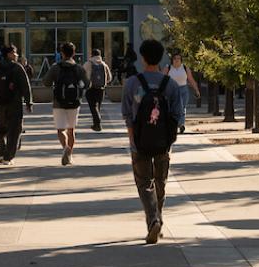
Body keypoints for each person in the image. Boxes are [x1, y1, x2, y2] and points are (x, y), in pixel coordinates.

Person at [121, 39, 185, 244]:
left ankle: (152, 220)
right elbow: (177, 114)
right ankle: (158, 217)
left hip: (139, 141)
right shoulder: (171, 85)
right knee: (160, 181)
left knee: (144, 183)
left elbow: (127, 115)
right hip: (163, 142)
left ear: (142, 57)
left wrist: (133, 140)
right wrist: (169, 139)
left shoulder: (132, 83)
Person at [43, 41, 90, 166]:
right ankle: (70, 154)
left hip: (58, 102)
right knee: (71, 129)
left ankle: (65, 148)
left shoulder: (56, 67)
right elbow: (87, 84)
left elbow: (46, 82)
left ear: (61, 53)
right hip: (74, 103)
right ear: (74, 53)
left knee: (60, 129)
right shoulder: (79, 68)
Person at [0, 44, 32, 165]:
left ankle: (1, 148)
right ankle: (8, 156)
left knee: (2, 127)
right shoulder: (17, 67)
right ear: (9, 54)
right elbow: (25, 86)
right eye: (15, 53)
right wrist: (29, 102)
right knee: (15, 129)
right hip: (14, 103)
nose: (17, 55)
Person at [164, 53, 202, 134]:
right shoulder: (168, 68)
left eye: (179, 58)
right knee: (172, 108)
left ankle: (181, 124)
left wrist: (196, 90)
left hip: (183, 89)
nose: (177, 60)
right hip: (172, 90)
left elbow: (191, 79)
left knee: (183, 107)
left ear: (181, 60)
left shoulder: (185, 68)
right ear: (172, 60)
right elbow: (162, 79)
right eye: (175, 58)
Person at [83, 48, 113, 132]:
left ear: (92, 54)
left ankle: (98, 123)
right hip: (101, 89)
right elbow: (109, 78)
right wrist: (104, 82)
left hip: (91, 88)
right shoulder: (104, 64)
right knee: (97, 106)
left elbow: (82, 74)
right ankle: (96, 124)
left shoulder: (88, 63)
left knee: (93, 106)